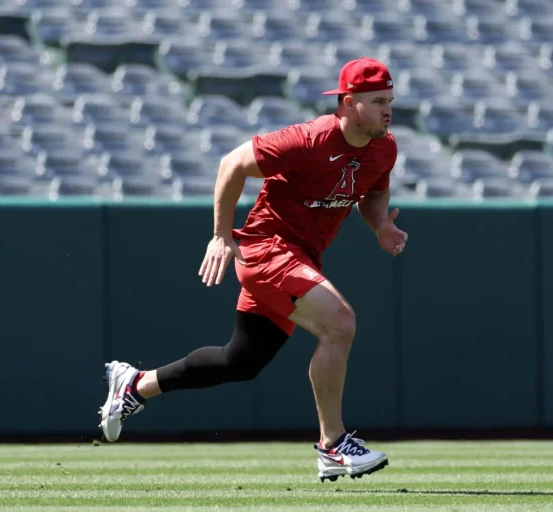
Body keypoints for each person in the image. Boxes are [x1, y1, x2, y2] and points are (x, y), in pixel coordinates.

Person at [98, 57, 408, 482]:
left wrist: (381, 225)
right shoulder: (310, 139)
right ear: (349, 102)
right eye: (377, 102)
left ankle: (136, 385)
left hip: (300, 257)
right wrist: (221, 235)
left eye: (390, 100)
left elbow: (373, 193)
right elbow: (232, 164)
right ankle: (333, 446)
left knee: (239, 362)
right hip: (265, 250)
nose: (387, 110)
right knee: (340, 322)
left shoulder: (383, 146)